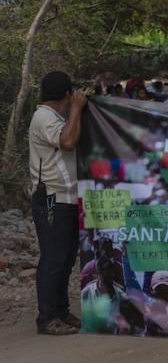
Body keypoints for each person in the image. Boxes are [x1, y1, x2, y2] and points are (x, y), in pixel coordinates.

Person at [29, 71, 87, 335]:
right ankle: (47, 317)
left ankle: (61, 311)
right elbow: (67, 141)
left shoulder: (55, 117)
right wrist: (76, 108)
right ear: (66, 95)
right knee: (54, 258)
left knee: (65, 258)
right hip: (52, 197)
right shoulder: (44, 117)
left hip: (66, 197)